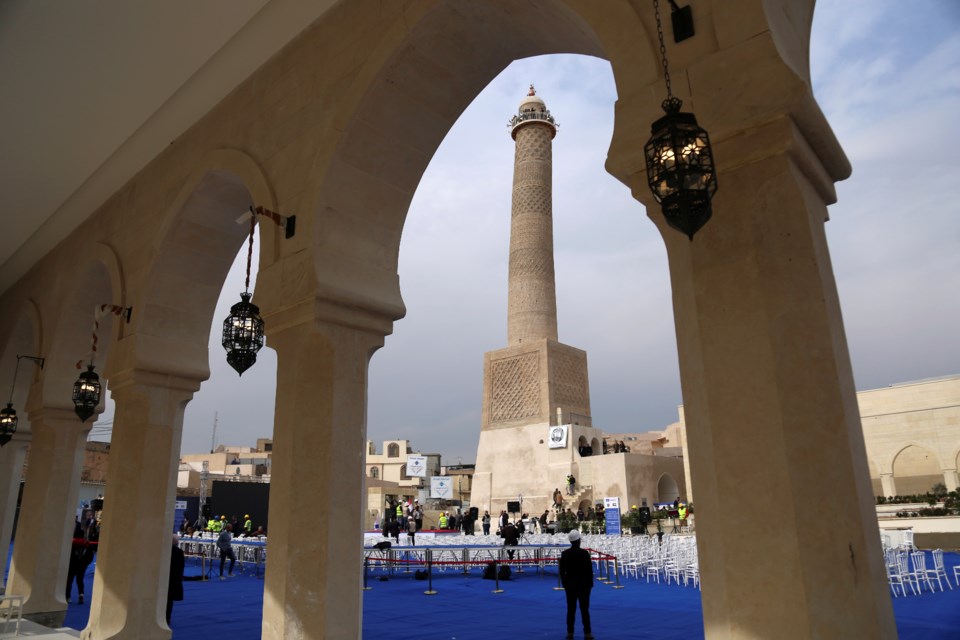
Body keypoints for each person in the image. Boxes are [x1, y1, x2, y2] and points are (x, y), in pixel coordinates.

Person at [560, 530, 593, 639]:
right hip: (583, 586)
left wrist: (565, 584)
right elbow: (589, 571)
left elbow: (562, 572)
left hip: (570, 586)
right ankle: (587, 633)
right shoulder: (584, 554)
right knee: (584, 610)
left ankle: (570, 632)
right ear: (578, 540)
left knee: (571, 610)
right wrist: (589, 585)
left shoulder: (565, 554)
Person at [167, 534, 185, 625]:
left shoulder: (165, 551)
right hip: (173, 578)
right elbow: (181, 567)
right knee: (169, 600)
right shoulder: (179, 552)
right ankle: (167, 617)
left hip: (167, 577)